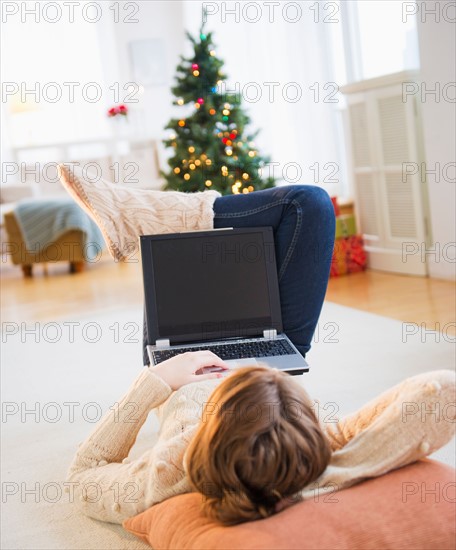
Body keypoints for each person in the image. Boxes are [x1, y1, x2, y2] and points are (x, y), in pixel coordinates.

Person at [59, 165, 455, 526]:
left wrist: (157, 379)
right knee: (310, 204)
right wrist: (331, 459)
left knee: (175, 263)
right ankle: (148, 216)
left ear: (200, 447)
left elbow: (84, 472)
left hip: (179, 356)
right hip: (264, 352)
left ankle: (148, 216)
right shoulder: (309, 461)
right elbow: (442, 393)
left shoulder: (170, 468)